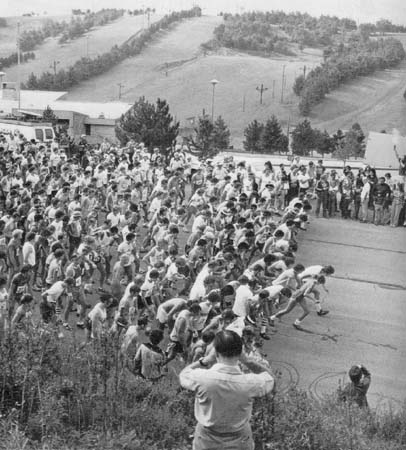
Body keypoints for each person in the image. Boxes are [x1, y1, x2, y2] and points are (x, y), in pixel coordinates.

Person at [179, 330, 274, 450]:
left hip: (206, 439)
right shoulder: (250, 382)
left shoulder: (202, 378)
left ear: (216, 352)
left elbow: (184, 374)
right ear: (240, 352)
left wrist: (205, 360)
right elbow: (270, 378)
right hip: (240, 439)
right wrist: (247, 361)